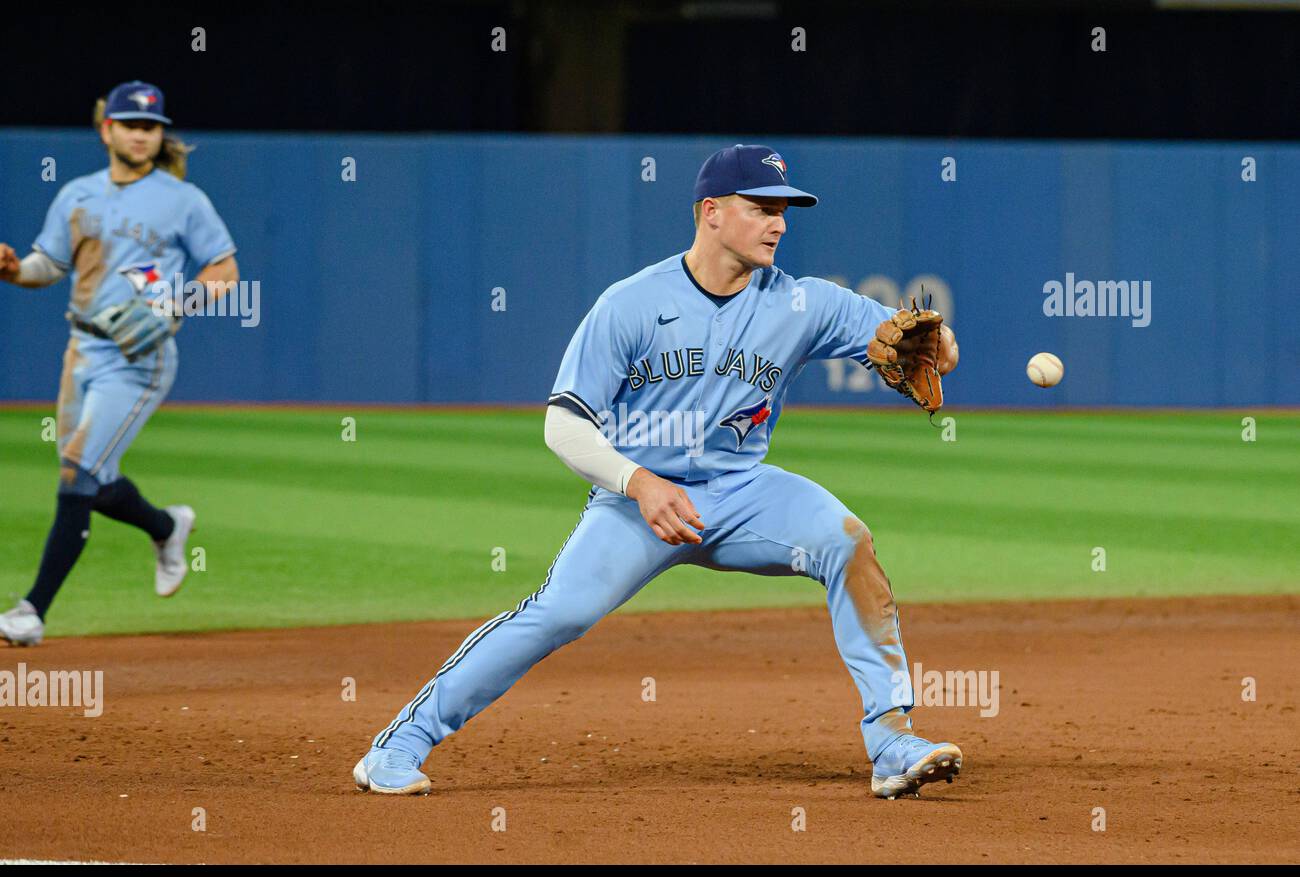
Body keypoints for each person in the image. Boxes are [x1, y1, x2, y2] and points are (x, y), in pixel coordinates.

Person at [354, 144, 962, 799]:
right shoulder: (633, 304)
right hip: (634, 504)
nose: (779, 223)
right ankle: (398, 745)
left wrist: (942, 345)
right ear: (711, 213)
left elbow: (926, 346)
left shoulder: (803, 304)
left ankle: (893, 741)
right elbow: (562, 424)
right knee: (560, 611)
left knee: (847, 540)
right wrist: (637, 482)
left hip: (743, 493)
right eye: (762, 207)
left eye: (784, 210)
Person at [0, 81, 239, 647]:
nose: (142, 134)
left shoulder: (183, 200)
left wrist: (176, 304)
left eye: (151, 126)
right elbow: (47, 266)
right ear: (107, 129)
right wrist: (12, 269)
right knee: (94, 482)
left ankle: (32, 610)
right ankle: (166, 526)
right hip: (80, 348)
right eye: (131, 124)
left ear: (161, 135)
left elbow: (225, 274)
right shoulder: (78, 195)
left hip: (138, 357)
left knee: (78, 472)